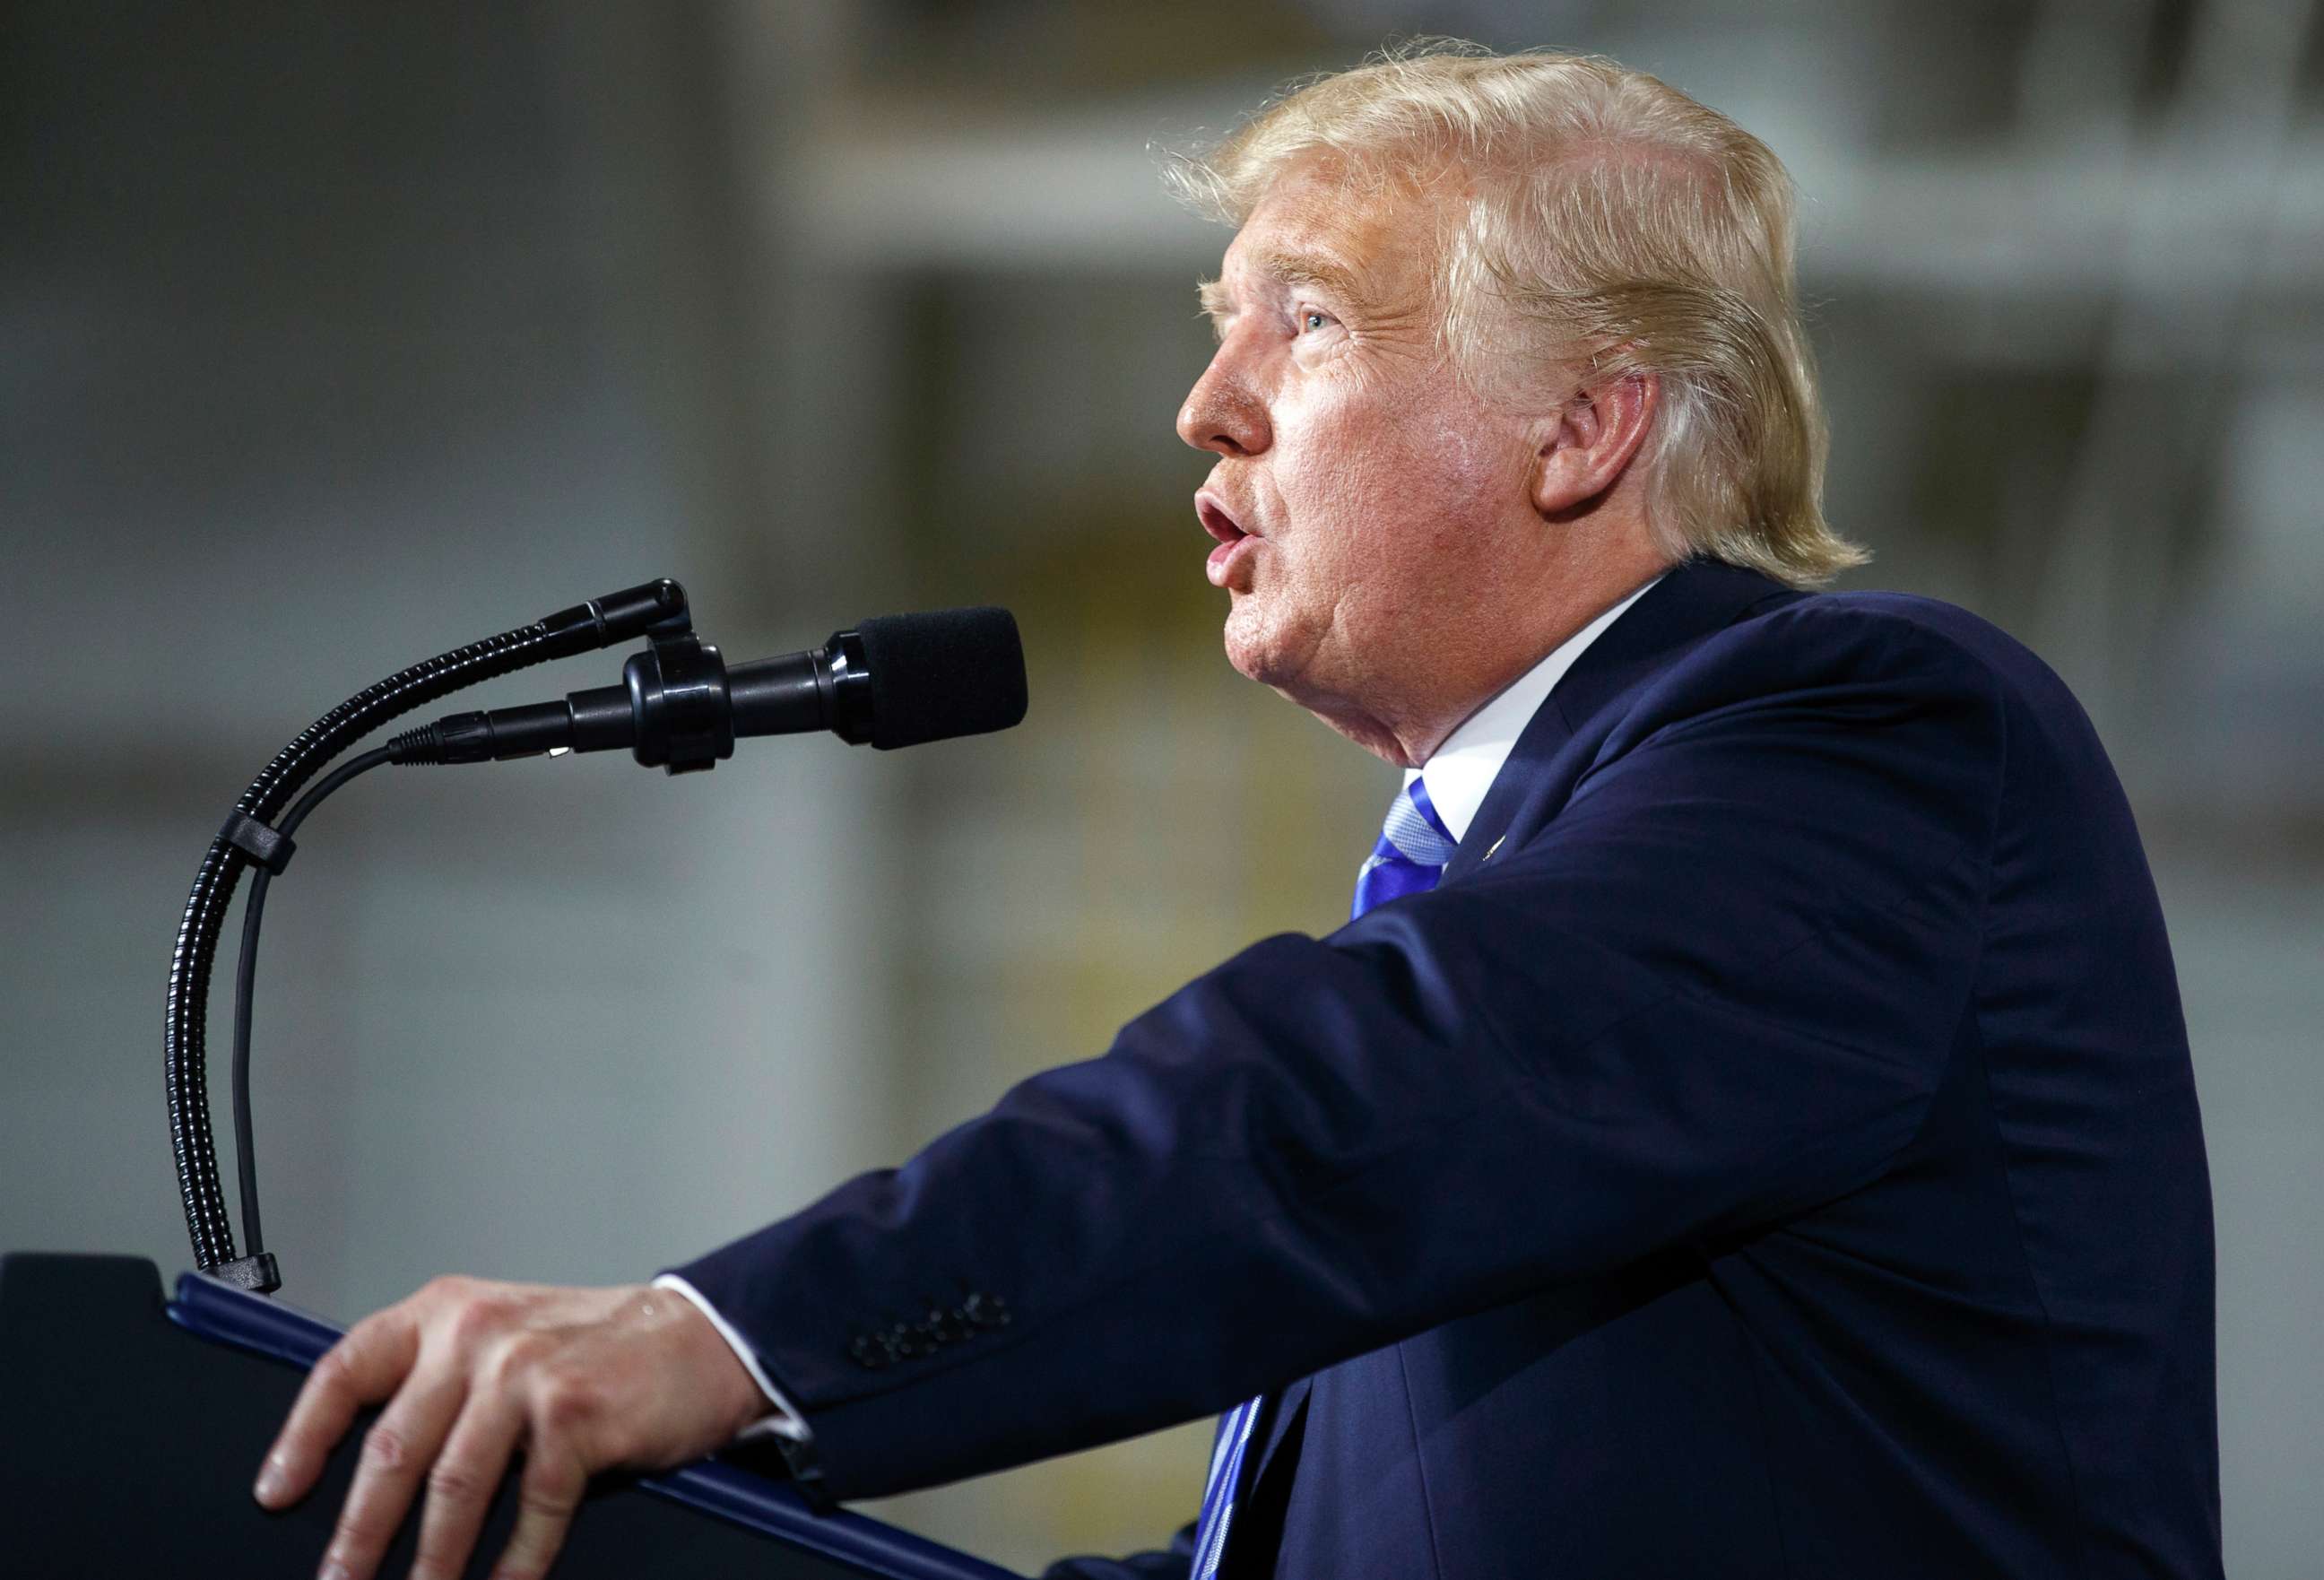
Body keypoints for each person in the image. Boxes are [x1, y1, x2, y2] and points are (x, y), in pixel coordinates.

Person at [255, 44, 2223, 1580]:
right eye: (1223, 320)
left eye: (1308, 319)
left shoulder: (1869, 740)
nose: (1206, 403)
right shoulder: (1511, 948)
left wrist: (730, 1332)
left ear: (1581, 425)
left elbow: (1325, 1110)